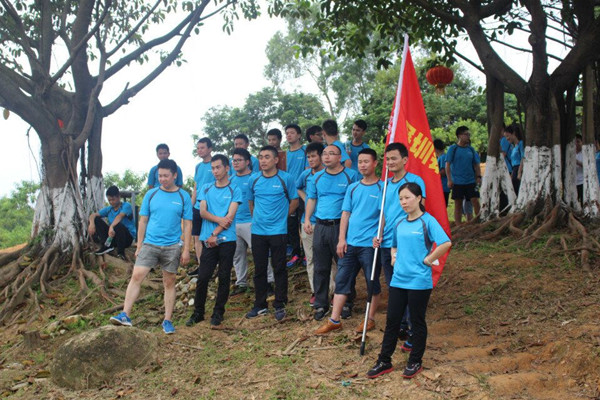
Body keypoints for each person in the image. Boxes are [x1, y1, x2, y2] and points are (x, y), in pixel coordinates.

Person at [367, 182, 451, 380]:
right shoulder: (399, 223)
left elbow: (446, 242)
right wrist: (394, 257)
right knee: (392, 322)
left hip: (419, 282)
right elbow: (393, 245)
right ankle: (384, 360)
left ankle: (415, 361)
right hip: (398, 281)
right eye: (401, 199)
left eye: (407, 198)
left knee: (417, 321)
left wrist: (429, 260)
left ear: (419, 198)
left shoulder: (427, 221)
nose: (404, 202)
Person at [110, 159, 192, 335]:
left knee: (169, 282)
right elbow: (143, 221)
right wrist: (139, 245)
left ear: (174, 175)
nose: (162, 179)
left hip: (172, 246)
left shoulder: (183, 196)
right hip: (150, 243)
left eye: (166, 176)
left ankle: (167, 320)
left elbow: (187, 224)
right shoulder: (151, 195)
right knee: (137, 275)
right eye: (159, 176)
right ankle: (125, 314)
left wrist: (186, 249)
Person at [315, 148, 383, 335]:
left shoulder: (382, 188)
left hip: (370, 246)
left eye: (366, 161)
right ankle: (334, 320)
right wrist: (341, 239)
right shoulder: (353, 187)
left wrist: (380, 234)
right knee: (342, 279)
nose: (362, 165)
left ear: (375, 163)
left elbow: (384, 215)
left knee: (372, 282)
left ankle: (369, 319)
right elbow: (346, 213)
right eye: (360, 162)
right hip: (351, 243)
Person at [374, 142, 426, 350]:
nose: (390, 162)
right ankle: (402, 325)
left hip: (408, 243)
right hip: (388, 243)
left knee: (410, 287)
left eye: (394, 158)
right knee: (394, 286)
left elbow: (421, 210)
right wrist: (378, 235)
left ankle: (414, 330)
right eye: (387, 159)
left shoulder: (414, 181)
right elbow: (383, 214)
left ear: (405, 159)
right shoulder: (385, 185)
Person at [304, 144, 359, 321]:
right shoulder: (317, 177)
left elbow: (356, 202)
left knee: (344, 266)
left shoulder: (351, 176)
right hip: (320, 226)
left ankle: (346, 303)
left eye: (331, 154)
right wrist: (307, 219)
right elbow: (311, 199)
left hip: (341, 227)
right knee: (321, 266)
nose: (326, 157)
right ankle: (321, 304)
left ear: (340, 156)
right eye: (325, 154)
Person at [186, 154, 241, 327]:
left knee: (224, 277)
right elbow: (202, 212)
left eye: (218, 167)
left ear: (227, 168)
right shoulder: (206, 188)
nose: (215, 171)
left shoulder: (235, 189)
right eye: (213, 168)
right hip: (208, 242)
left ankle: (218, 313)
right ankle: (198, 313)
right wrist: (219, 221)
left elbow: (230, 217)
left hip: (227, 240)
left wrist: (215, 233)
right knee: (203, 277)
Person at [245, 146, 298, 321]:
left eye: (267, 157)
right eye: (260, 157)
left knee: (279, 268)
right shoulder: (254, 179)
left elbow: (295, 201)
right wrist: (257, 219)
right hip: (258, 231)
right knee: (259, 269)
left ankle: (280, 303)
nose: (263, 160)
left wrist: (283, 218)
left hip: (279, 231)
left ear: (276, 160)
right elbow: (251, 202)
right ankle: (260, 305)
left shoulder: (286, 178)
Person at [229, 148, 275, 296]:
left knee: (259, 253)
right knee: (237, 255)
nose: (235, 163)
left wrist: (257, 218)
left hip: (252, 222)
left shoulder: (255, 178)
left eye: (239, 160)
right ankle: (241, 282)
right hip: (234, 223)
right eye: (234, 160)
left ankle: (268, 281)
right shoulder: (230, 180)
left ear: (248, 162)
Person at [296, 142, 335, 306]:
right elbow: (298, 188)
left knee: (332, 261)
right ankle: (316, 292)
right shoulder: (306, 175)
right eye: (308, 157)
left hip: (329, 224)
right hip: (309, 224)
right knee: (311, 259)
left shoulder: (332, 175)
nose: (311, 159)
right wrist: (307, 200)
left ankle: (333, 292)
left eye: (314, 156)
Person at [88, 185, 136, 259]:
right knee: (96, 219)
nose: (111, 202)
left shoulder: (126, 206)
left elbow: (120, 216)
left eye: (113, 199)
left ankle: (121, 253)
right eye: (109, 200)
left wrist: (111, 226)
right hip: (113, 236)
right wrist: (92, 224)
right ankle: (106, 245)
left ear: (118, 197)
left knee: (118, 225)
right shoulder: (109, 209)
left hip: (126, 238)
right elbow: (93, 215)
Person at [446, 126, 482, 224]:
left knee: (475, 200)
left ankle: (478, 222)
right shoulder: (453, 149)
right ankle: (458, 225)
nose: (468, 137)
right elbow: (447, 165)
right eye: (466, 134)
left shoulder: (471, 150)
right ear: (459, 136)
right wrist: (449, 180)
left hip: (471, 181)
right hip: (457, 182)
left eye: (469, 135)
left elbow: (476, 165)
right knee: (458, 203)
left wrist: (478, 177)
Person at [285, 124, 309, 267]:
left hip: (302, 193)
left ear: (299, 135)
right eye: (287, 133)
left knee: (304, 224)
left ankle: (307, 254)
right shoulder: (284, 154)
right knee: (291, 226)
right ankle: (295, 254)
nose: (289, 135)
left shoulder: (305, 151)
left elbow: (307, 171)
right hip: (288, 196)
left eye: (292, 133)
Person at [190, 138, 215, 271]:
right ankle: (201, 266)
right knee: (197, 237)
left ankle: (213, 266)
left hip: (211, 208)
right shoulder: (198, 167)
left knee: (211, 236)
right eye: (198, 148)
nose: (200, 150)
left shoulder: (216, 164)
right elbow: (196, 188)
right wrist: (190, 206)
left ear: (210, 149)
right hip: (197, 207)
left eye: (202, 148)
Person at [506, 124, 524, 196]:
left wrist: (519, 172)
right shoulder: (514, 147)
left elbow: (523, 157)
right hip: (514, 170)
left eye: (508, 136)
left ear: (513, 134)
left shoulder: (521, 144)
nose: (507, 139)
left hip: (519, 169)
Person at [433, 139, 450, 207]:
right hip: (441, 187)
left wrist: (433, 176)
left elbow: (443, 171)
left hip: (443, 187)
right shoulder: (439, 157)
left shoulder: (443, 157)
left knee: (441, 206)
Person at [575, 134, 583, 204]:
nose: (576, 144)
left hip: (582, 182)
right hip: (573, 183)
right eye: (575, 142)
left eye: (578, 142)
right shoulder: (571, 153)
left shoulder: (585, 153)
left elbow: (587, 166)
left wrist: (577, 162)